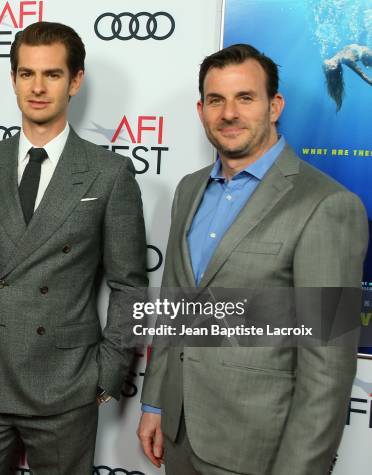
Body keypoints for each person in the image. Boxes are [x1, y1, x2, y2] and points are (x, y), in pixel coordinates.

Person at [0, 21, 148, 474]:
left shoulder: (109, 173)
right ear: (13, 81)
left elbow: (129, 285)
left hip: (65, 385)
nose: (38, 87)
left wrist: (106, 375)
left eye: (52, 74)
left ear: (75, 80)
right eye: (27, 74)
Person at [137, 43, 368, 474]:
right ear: (201, 109)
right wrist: (154, 402)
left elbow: (329, 368)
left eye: (245, 98)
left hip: (258, 451)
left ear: (274, 105)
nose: (229, 113)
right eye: (216, 100)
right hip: (179, 437)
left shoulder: (327, 205)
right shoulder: (188, 190)